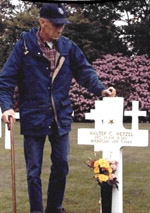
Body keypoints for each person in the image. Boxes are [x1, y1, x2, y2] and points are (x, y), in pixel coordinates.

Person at [0, 3, 116, 213]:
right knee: (33, 171)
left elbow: (85, 71)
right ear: (42, 22)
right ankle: (37, 210)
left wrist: (101, 89)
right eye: (55, 24)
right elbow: (6, 80)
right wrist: (7, 108)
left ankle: (55, 208)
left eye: (63, 24)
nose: (60, 29)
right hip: (33, 116)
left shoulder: (68, 47)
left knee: (61, 166)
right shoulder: (24, 46)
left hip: (60, 116)